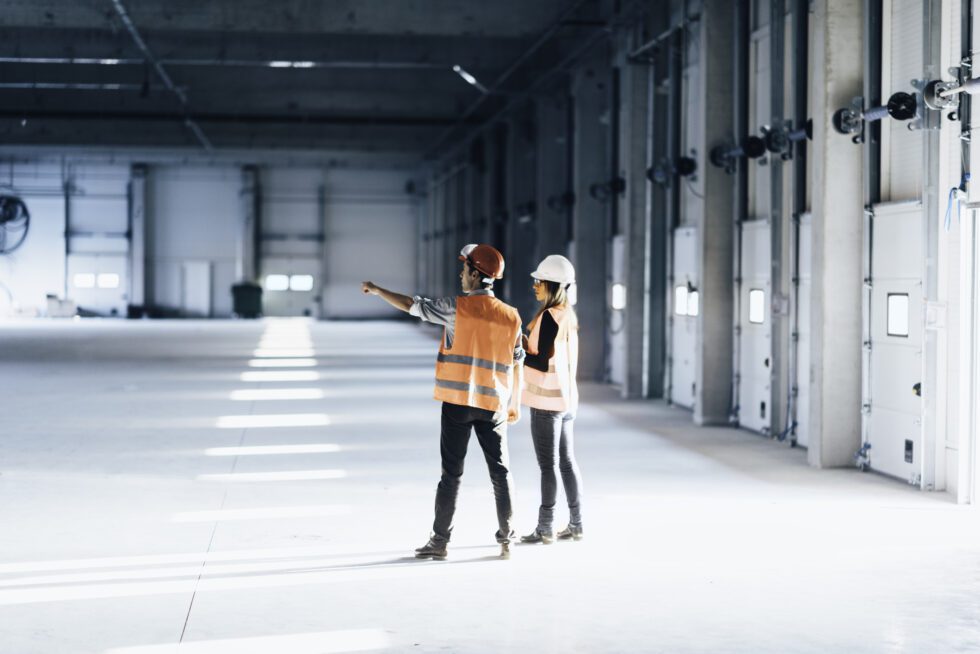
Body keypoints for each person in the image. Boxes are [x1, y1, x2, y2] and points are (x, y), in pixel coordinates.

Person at [361, 243, 524, 560]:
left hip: (457, 403)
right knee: (500, 473)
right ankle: (507, 539)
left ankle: (440, 542)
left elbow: (412, 305)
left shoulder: (456, 308)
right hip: (494, 405)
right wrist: (514, 403)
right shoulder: (512, 317)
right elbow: (517, 361)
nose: (462, 275)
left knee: (451, 475)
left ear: (476, 275)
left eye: (465, 270)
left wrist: (379, 290)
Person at [519, 254, 584, 545]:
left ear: (552, 285)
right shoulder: (567, 315)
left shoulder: (547, 316)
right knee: (567, 463)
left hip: (546, 404)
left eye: (539, 281)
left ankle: (545, 527)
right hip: (567, 400)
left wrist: (518, 353)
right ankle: (576, 524)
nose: (534, 285)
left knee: (548, 466)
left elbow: (540, 363)